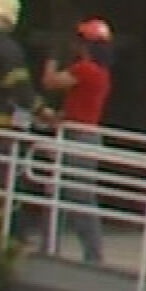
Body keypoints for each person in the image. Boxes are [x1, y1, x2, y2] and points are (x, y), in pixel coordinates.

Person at [37, 16, 115, 262]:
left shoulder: (86, 69)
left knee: (78, 196)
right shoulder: (101, 72)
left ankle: (91, 254)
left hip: (79, 139)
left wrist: (51, 58)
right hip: (79, 135)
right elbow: (77, 106)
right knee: (59, 193)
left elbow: (50, 82)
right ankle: (50, 248)